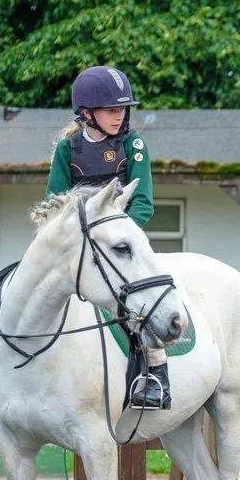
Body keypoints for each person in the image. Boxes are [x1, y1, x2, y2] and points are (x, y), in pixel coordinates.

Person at [48, 65, 168, 410]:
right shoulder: (67, 149)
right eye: (112, 110)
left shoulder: (133, 143)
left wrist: (116, 237)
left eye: (123, 109)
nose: (120, 116)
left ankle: (156, 373)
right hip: (79, 245)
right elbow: (55, 203)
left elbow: (143, 201)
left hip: (123, 242)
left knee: (145, 299)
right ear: (87, 113)